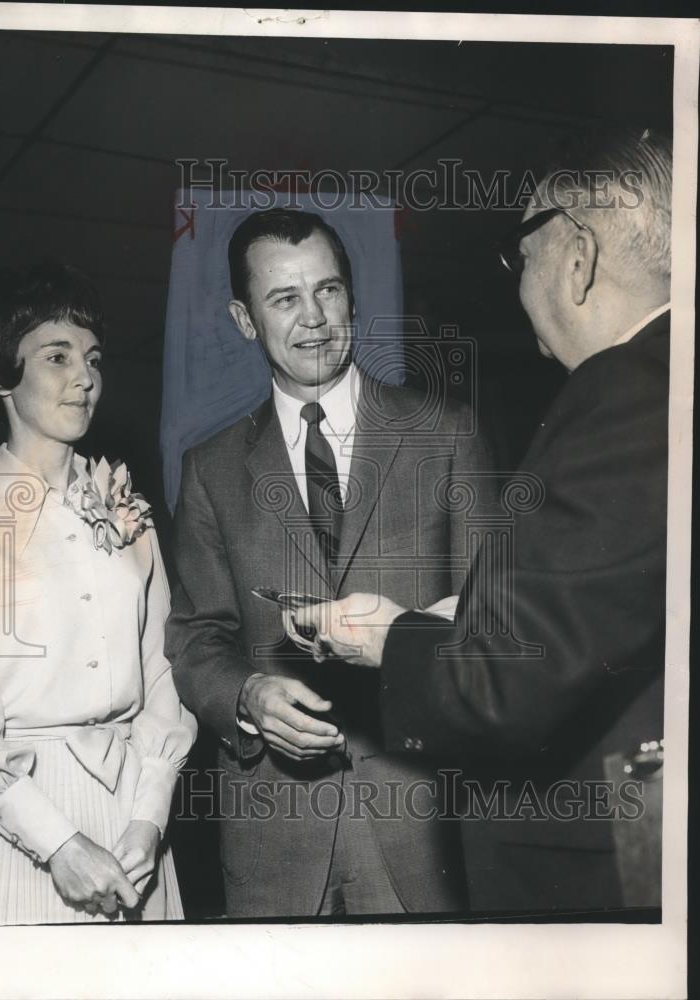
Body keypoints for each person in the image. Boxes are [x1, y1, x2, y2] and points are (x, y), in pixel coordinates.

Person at [293, 128, 672, 911]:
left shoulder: (623, 397)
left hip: (604, 872)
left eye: (520, 252)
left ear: (577, 255)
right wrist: (470, 614)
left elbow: (510, 684)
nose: (516, 279)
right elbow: (605, 611)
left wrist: (388, 638)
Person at [164, 208, 495, 917]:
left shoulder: (446, 434)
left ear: (353, 296)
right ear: (244, 319)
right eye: (284, 298)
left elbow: (492, 620)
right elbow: (197, 639)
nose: (313, 318)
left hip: (418, 821)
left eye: (329, 290)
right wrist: (248, 697)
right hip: (272, 837)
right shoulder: (211, 470)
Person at [0, 261, 197, 924]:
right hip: (5, 831)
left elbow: (165, 675)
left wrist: (149, 815)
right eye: (57, 356)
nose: (86, 378)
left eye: (93, 358)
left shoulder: (129, 511)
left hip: (130, 816)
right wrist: (60, 846)